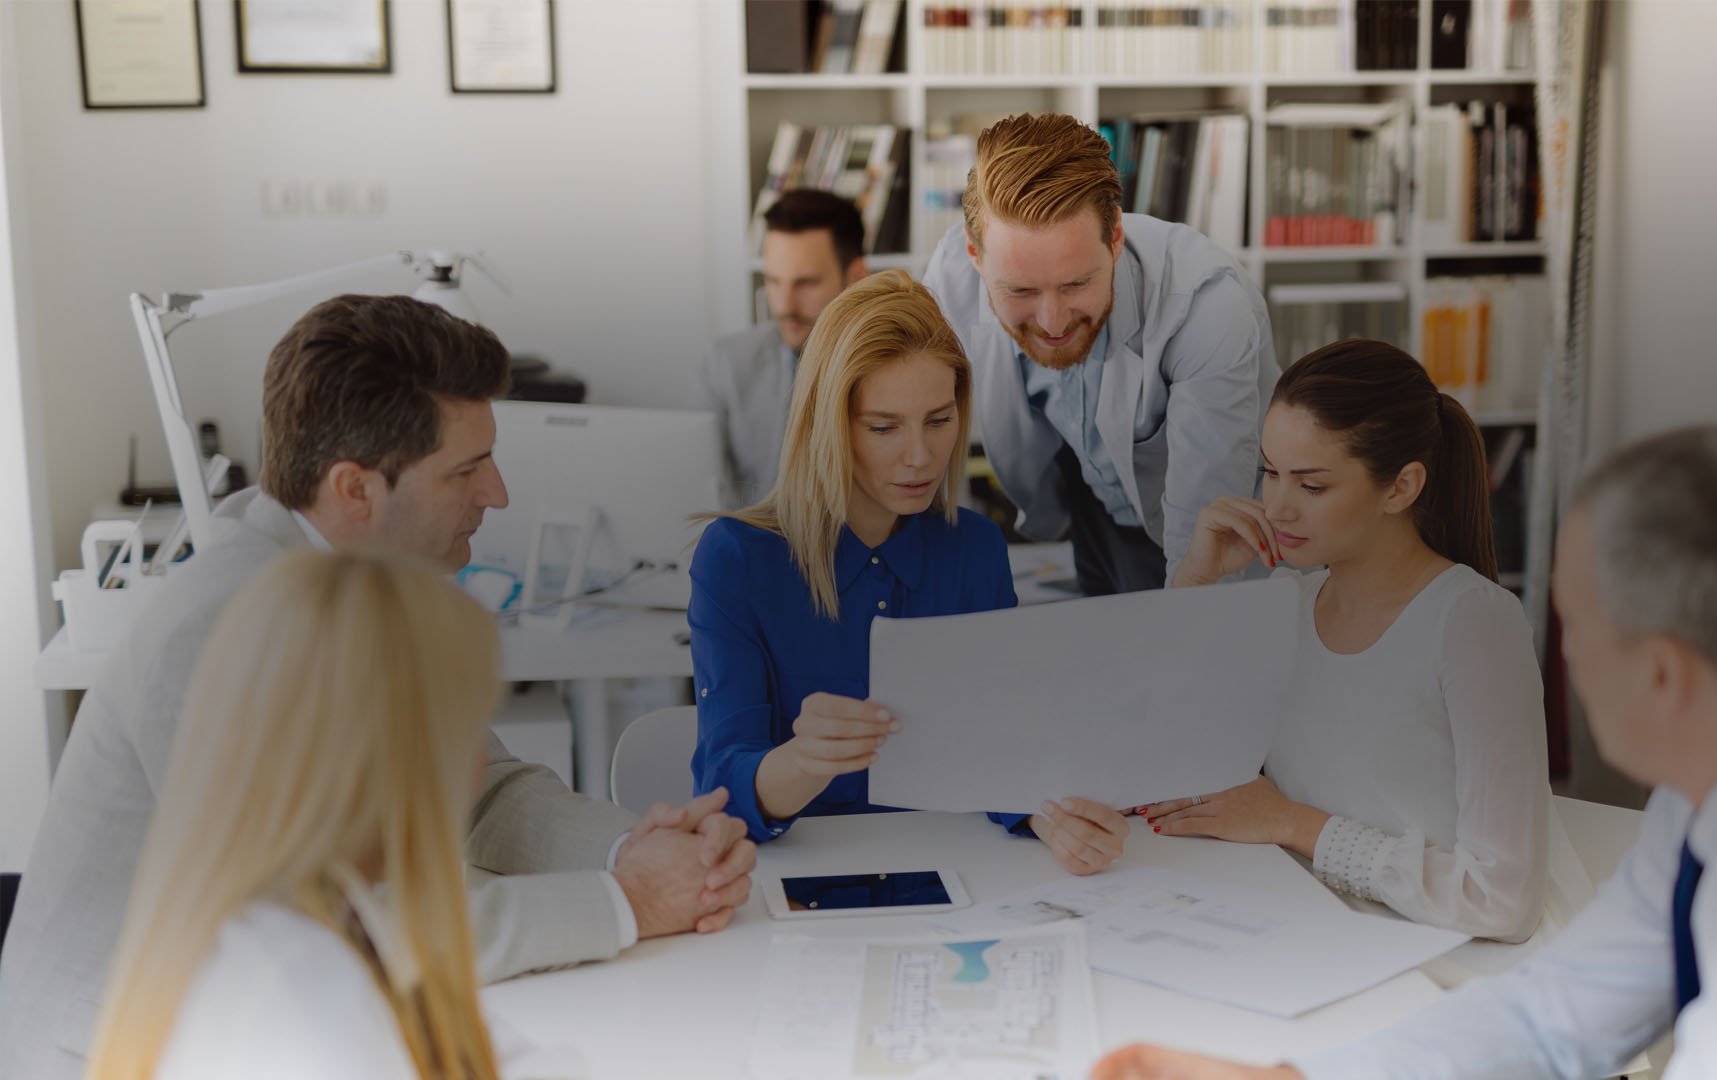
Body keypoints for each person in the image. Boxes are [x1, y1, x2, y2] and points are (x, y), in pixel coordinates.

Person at [0, 295, 756, 1079]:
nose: (496, 494)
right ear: (355, 488)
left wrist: (635, 849)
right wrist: (625, 901)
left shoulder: (361, 584)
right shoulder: (227, 622)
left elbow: (483, 789)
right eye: (466, 469)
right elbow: (343, 927)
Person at [1094, 426, 1717, 1080]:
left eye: (1574, 624)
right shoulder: (1715, 789)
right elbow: (1557, 1016)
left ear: (1663, 673)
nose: (1563, 658)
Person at [689, 270, 1131, 876]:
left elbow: (1000, 744)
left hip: (958, 871)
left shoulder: (973, 548)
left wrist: (1047, 815)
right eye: (884, 427)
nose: (921, 456)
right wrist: (806, 760)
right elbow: (721, 792)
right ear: (828, 424)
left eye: (939, 420)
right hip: (797, 885)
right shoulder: (736, 558)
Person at [1134, 339, 1548, 941]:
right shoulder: (1289, 602)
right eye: (1270, 473)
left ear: (1401, 488)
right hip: (1291, 925)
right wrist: (1195, 578)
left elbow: (1502, 901)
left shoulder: (1474, 624)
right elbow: (1162, 755)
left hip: (1432, 950)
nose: (1276, 508)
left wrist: (1290, 822)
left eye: (1312, 486)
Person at [87, 552, 555, 1079]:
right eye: (466, 728)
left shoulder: (278, 925)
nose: (478, 766)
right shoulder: (305, 996)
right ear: (383, 758)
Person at [922, 111, 1278, 594]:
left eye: (1075, 284)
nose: (1052, 322)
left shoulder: (1208, 305)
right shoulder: (948, 281)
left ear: (1115, 239)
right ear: (974, 256)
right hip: (1090, 507)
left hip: (1217, 528)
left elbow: (1205, 538)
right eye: (1021, 290)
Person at [694, 188, 870, 506]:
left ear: (855, 276)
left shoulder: (900, 373)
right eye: (773, 281)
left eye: (806, 283)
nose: (785, 305)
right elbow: (699, 493)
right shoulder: (724, 364)